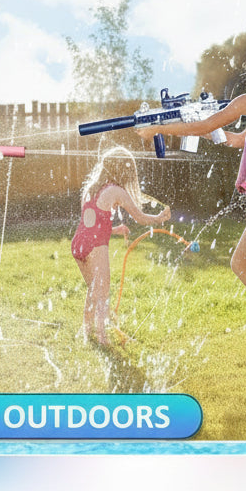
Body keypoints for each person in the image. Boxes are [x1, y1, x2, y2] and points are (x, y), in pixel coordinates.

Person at [136, 52, 246, 367]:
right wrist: (216, 132)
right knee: (239, 263)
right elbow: (241, 139)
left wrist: (161, 128)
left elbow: (204, 126)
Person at [72, 146, 172, 345]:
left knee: (92, 290)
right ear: (123, 171)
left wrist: (116, 229)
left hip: (78, 243)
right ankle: (102, 338)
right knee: (102, 293)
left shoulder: (91, 188)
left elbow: (90, 223)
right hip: (95, 245)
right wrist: (160, 218)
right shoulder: (115, 191)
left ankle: (86, 332)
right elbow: (140, 217)